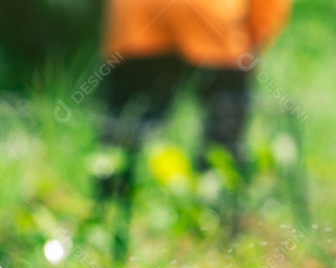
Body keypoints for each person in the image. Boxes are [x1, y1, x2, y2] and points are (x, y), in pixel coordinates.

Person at [95, 0, 292, 254]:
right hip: (212, 13)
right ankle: (218, 233)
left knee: (124, 131)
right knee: (223, 130)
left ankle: (108, 226)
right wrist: (251, 39)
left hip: (136, 13)